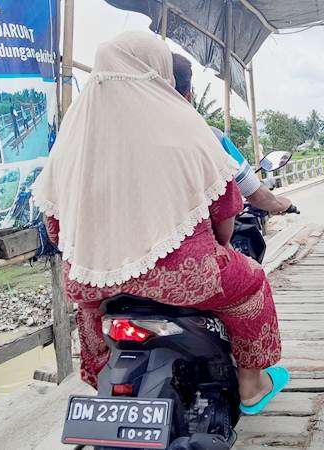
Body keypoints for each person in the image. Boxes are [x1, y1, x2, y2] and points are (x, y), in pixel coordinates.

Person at [33, 31, 289, 414]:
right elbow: (225, 217)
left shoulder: (74, 140)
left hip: (95, 283)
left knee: (88, 313)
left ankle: (103, 382)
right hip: (183, 278)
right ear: (158, 71)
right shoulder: (186, 128)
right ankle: (250, 385)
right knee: (251, 283)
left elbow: (56, 230)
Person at [171, 53, 292, 214]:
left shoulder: (130, 138)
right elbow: (253, 191)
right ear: (188, 95)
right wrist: (280, 204)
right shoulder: (211, 137)